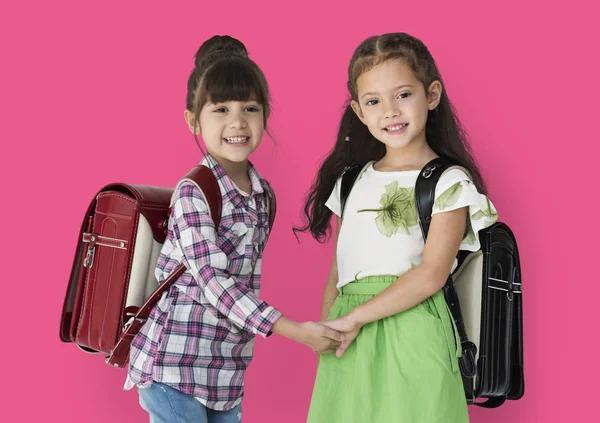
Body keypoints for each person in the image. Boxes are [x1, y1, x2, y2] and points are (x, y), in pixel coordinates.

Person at [124, 35, 343, 423]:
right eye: (221, 109)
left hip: (224, 374)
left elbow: (245, 283)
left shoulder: (263, 196)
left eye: (250, 108)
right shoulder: (194, 191)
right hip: (174, 364)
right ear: (193, 119)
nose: (237, 122)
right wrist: (297, 331)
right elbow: (216, 283)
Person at [296, 32, 499, 422]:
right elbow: (338, 270)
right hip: (349, 332)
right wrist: (330, 326)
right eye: (374, 101)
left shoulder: (449, 181)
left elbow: (431, 275)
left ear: (432, 95)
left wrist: (352, 319)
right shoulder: (351, 181)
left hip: (414, 328)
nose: (389, 111)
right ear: (359, 111)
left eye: (403, 95)